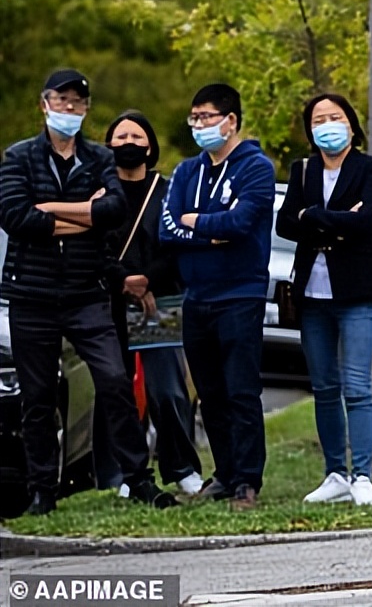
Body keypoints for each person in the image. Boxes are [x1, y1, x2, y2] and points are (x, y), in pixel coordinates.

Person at [0, 69, 177, 515]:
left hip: (86, 293)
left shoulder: (99, 157)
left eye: (77, 102)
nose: (69, 109)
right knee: (38, 397)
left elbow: (114, 210)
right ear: (44, 104)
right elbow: (16, 217)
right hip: (31, 294)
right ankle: (42, 490)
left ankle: (137, 478)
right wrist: (85, 214)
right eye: (62, 100)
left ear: (86, 109)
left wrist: (52, 209)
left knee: (115, 381)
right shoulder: (18, 157)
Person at [160, 83, 276, 511]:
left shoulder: (256, 168)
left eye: (206, 117)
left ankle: (247, 479)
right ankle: (224, 472)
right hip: (197, 296)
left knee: (240, 390)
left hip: (240, 293)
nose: (198, 126)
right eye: (194, 118)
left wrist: (195, 223)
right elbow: (167, 229)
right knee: (209, 392)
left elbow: (241, 223)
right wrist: (208, 231)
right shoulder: (186, 172)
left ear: (230, 121)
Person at [276, 94, 372, 505]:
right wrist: (333, 221)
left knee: (357, 387)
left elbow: (366, 221)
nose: (327, 125)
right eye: (318, 119)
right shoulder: (302, 170)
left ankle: (363, 474)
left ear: (352, 125)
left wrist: (312, 217)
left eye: (335, 117)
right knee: (324, 386)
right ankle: (335, 473)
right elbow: (285, 223)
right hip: (311, 293)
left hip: (355, 290)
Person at [97, 111, 204, 497]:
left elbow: (180, 245)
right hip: (109, 300)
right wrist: (123, 281)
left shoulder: (169, 190)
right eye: (121, 136)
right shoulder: (97, 192)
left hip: (160, 299)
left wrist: (147, 281)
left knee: (168, 388)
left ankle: (181, 466)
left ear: (150, 146)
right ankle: (125, 473)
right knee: (115, 387)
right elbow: (90, 247)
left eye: (137, 137)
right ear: (109, 145)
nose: (129, 143)